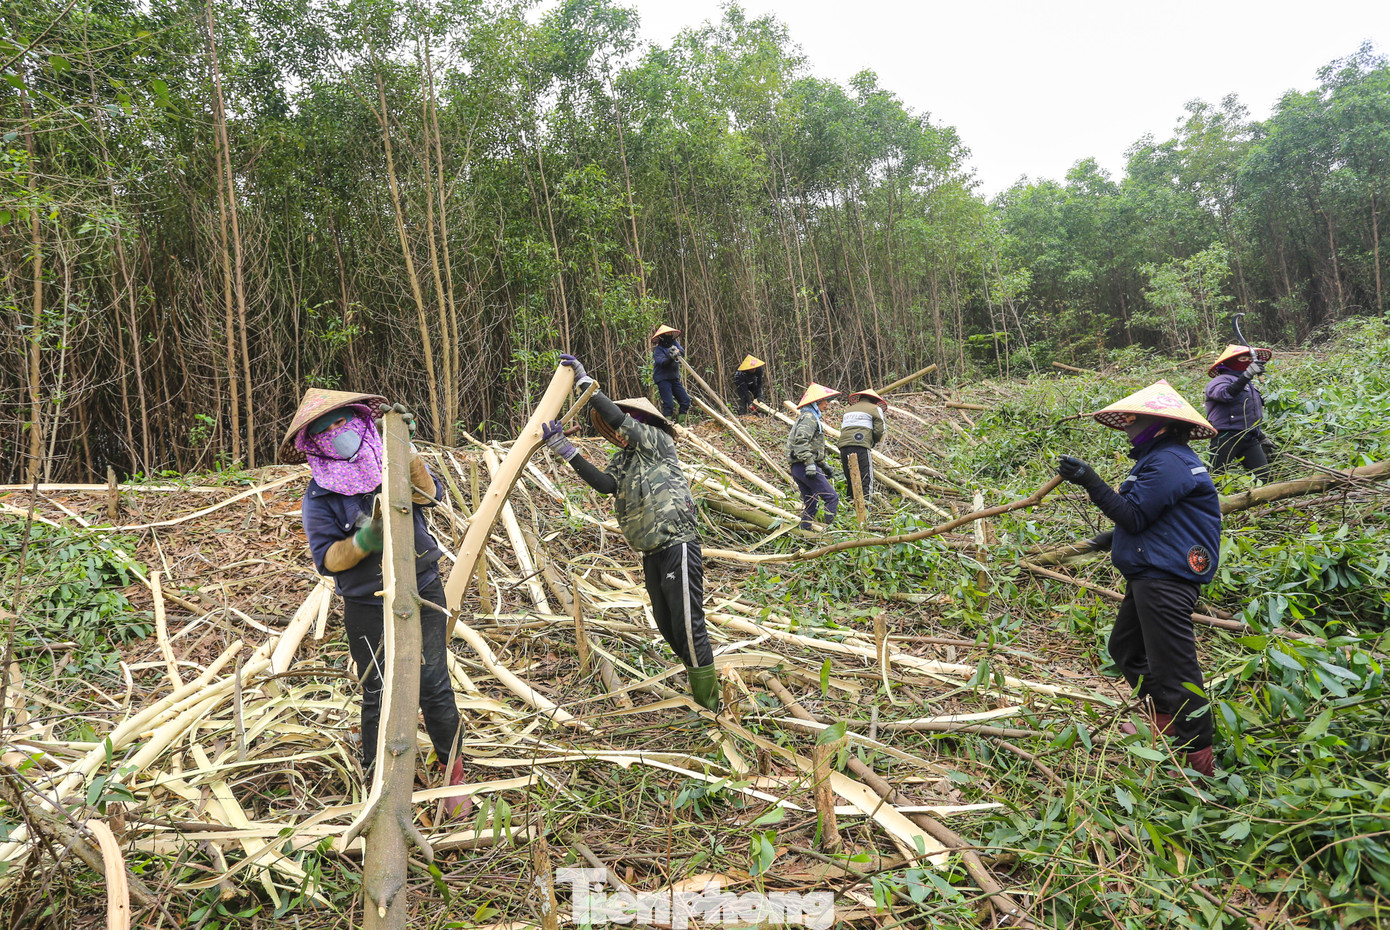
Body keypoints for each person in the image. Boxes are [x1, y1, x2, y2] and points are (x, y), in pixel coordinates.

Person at [282, 389, 470, 815]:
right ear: (314, 443)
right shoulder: (319, 496)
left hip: (422, 587)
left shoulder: (388, 462)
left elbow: (430, 496)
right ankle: (378, 780)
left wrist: (406, 449)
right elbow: (327, 559)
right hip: (366, 603)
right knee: (378, 691)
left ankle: (452, 775)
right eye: (324, 429)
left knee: (434, 685)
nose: (336, 432)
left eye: (341, 421)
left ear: (358, 420)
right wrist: (365, 540)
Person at [1054, 380, 1222, 777]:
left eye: (1134, 418)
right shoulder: (1161, 458)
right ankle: (1163, 720)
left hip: (1166, 576)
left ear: (1158, 424)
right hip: (1152, 569)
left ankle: (1199, 757)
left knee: (1174, 668)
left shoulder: (1169, 461)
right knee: (1126, 649)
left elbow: (1134, 514)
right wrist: (1110, 539)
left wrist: (1091, 482)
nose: (1128, 424)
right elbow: (1159, 516)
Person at [539, 355, 719, 714]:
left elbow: (618, 419)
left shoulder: (657, 442)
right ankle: (697, 677)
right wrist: (565, 450)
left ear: (645, 422)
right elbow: (605, 485)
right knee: (666, 624)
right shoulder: (624, 461)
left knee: (687, 622)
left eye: (630, 422)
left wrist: (586, 385)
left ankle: (711, 705)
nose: (623, 428)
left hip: (677, 543)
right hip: (652, 552)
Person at [1204, 344, 1274, 481]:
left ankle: (1262, 502)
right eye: (1243, 359)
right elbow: (1224, 395)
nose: (1248, 362)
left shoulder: (1249, 385)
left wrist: (1261, 437)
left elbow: (1248, 416)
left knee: (1264, 478)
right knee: (1215, 478)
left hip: (1249, 438)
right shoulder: (1219, 381)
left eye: (1250, 359)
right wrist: (1247, 375)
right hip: (1226, 437)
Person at [786, 383, 840, 530]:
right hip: (804, 466)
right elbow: (801, 441)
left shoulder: (810, 416)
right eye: (825, 402)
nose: (827, 405)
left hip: (798, 467)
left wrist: (823, 465)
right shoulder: (809, 417)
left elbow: (812, 446)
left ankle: (805, 533)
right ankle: (826, 531)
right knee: (831, 498)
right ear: (816, 402)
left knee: (811, 502)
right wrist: (810, 463)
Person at [837, 388, 888, 499]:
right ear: (874, 401)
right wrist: (873, 441)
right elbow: (880, 430)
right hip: (861, 445)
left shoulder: (848, 410)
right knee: (865, 479)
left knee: (851, 479)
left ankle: (851, 510)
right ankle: (865, 510)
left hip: (843, 446)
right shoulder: (875, 408)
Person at [651, 325, 692, 423]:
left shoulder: (674, 343)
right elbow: (662, 362)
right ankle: (667, 425)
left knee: (685, 400)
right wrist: (670, 357)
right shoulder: (658, 350)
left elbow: (682, 351)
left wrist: (677, 352)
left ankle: (681, 425)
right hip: (663, 379)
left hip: (674, 378)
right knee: (669, 404)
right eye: (666, 334)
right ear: (662, 336)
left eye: (670, 334)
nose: (669, 336)